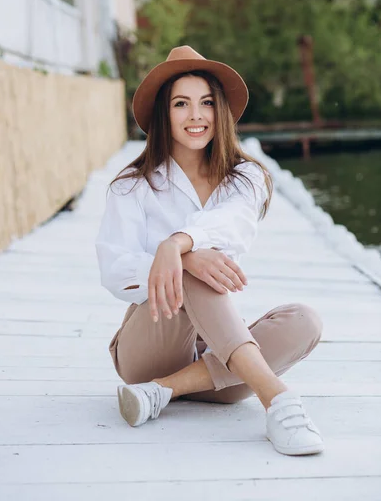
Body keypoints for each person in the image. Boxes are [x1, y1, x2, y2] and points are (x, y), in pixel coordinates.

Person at [95, 45, 324, 456]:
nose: (196, 115)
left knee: (305, 321)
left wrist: (177, 243)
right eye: (181, 104)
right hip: (148, 344)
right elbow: (114, 268)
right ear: (164, 114)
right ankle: (279, 400)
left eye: (206, 103)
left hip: (214, 359)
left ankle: (165, 391)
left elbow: (233, 227)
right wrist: (175, 262)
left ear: (221, 112)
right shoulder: (132, 186)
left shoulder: (244, 177)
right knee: (190, 268)